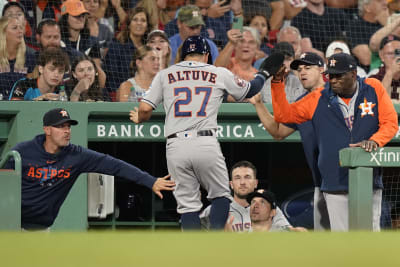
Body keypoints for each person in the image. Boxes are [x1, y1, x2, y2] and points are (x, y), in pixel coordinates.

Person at [129, 35, 284, 230]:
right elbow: (251, 90)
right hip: (205, 141)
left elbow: (144, 108)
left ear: (183, 55)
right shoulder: (217, 72)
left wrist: (140, 119)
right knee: (221, 195)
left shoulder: (164, 74)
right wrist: (264, 73)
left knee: (187, 206)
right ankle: (215, 242)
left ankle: (194, 252)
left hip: (175, 145)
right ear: (206, 55)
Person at [270, 52, 399, 231]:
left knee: (369, 235)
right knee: (342, 237)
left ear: (353, 74)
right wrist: (277, 84)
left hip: (368, 176)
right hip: (334, 178)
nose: (333, 79)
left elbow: (390, 123)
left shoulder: (372, 88)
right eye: (331, 75)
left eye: (339, 75)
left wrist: (375, 141)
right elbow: (283, 115)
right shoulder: (318, 98)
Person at [2, 108, 175, 230]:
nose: (66, 131)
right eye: (60, 126)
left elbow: (115, 165)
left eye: (68, 126)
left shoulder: (76, 156)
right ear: (47, 129)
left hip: (40, 228)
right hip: (12, 226)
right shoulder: (23, 151)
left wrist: (150, 181)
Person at [250, 52, 330, 230]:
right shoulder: (302, 103)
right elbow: (278, 132)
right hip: (321, 184)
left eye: (308, 68)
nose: (302, 73)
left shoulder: (335, 95)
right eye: (299, 69)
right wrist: (259, 104)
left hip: (348, 180)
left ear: (322, 69)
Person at [200, 160, 294, 232]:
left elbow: (287, 234)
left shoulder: (270, 209)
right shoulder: (216, 209)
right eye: (237, 178)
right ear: (231, 184)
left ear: (256, 183)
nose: (242, 183)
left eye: (247, 177)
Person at [103, 7, 152, 94]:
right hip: (122, 96)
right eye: (135, 19)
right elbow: (111, 80)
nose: (139, 23)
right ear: (129, 24)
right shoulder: (116, 47)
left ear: (147, 26)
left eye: (143, 20)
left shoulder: (150, 48)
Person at [0, 16, 36, 100]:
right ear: (3, 32)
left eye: (21, 28)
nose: (20, 31)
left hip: (22, 105)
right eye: (15, 28)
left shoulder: (30, 57)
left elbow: (33, 89)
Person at [346, 0, 389, 67]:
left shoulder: (390, 23)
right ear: (367, 8)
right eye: (379, 1)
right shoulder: (355, 26)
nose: (385, 3)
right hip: (368, 73)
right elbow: (366, 60)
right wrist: (387, 27)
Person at [369, 35, 400, 101]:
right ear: (381, 55)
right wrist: (390, 73)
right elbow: (375, 101)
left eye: (398, 53)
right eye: (390, 53)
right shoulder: (373, 79)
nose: (395, 57)